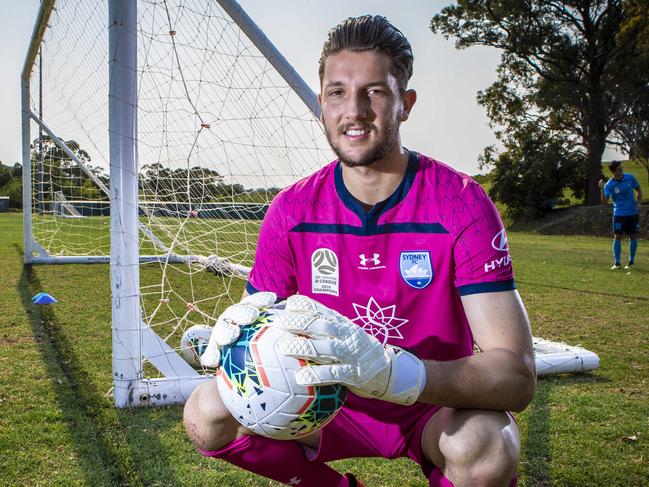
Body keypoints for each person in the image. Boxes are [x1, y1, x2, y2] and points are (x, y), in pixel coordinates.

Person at [184, 15, 536, 487]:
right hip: (323, 405)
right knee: (205, 412)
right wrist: (235, 344)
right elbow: (260, 330)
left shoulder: (460, 204)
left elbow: (515, 376)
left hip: (430, 407)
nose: (355, 110)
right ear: (321, 103)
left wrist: (394, 373)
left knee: (488, 445)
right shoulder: (291, 210)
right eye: (337, 92)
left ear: (404, 104)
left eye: (374, 91)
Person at [599, 161, 642, 270]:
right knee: (617, 236)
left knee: (632, 236)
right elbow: (605, 202)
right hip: (619, 213)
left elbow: (639, 190)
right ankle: (617, 263)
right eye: (619, 169)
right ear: (613, 172)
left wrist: (639, 203)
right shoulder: (609, 185)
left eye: (621, 168)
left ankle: (631, 262)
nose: (622, 170)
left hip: (632, 212)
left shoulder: (630, 177)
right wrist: (602, 189)